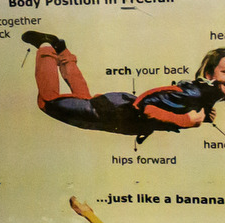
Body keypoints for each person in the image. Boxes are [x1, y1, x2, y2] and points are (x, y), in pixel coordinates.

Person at [20, 30, 225, 142]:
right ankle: (46, 45)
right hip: (115, 111)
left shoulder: (206, 96)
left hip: (115, 113)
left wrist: (202, 117)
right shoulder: (194, 92)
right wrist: (184, 120)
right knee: (48, 101)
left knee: (83, 99)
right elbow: (145, 103)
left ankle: (62, 51)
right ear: (209, 74)